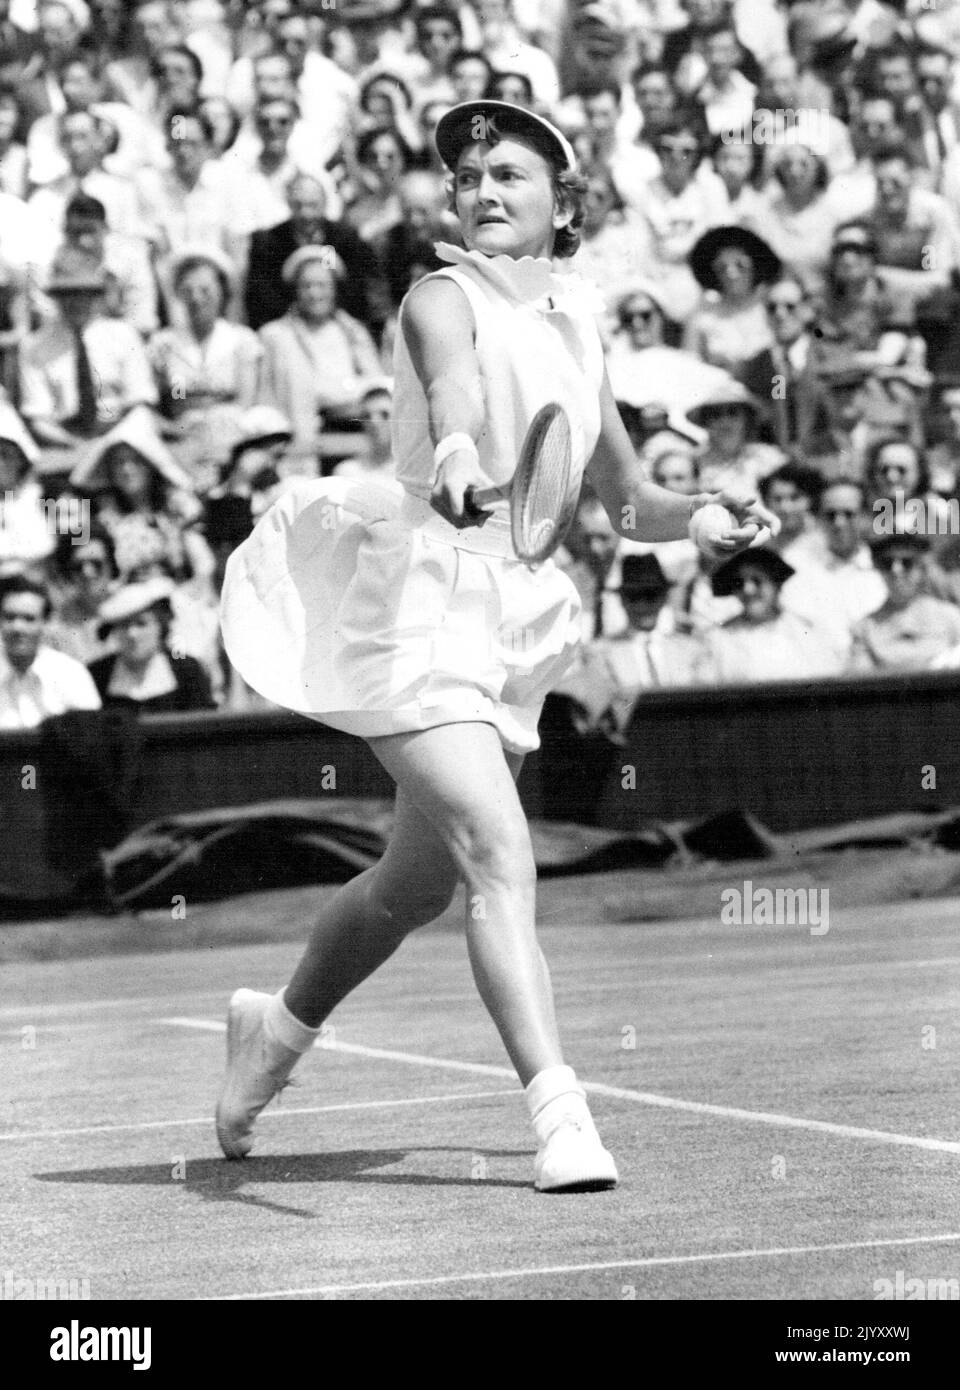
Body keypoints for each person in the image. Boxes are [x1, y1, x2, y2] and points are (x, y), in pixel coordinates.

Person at [215, 99, 776, 1192]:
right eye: (469, 178)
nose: (482, 193)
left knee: (411, 885)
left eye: (509, 175)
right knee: (498, 852)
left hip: (512, 612)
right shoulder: (439, 291)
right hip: (417, 603)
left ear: (564, 202)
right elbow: (455, 382)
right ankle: (560, 1114)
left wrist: (702, 513)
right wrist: (463, 446)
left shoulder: (577, 313)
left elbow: (621, 496)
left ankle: (271, 1035)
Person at [256, 246, 383, 454]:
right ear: (295, 290)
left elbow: (376, 387)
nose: (315, 294)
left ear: (334, 288)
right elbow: (266, 399)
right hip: (296, 441)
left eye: (322, 285)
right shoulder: (275, 335)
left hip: (351, 438)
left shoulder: (352, 332)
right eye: (306, 286)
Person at [702, 546, 842, 683]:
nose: (748, 590)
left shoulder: (806, 631)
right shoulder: (720, 639)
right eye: (739, 583)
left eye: (757, 581)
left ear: (775, 583)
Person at [89, 574, 215, 711]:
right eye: (124, 625)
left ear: (160, 626)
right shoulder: (98, 674)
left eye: (141, 624)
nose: (132, 634)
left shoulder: (186, 669)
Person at [0, 573, 102, 729]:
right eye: (10, 617)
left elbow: (92, 738)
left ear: (46, 624)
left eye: (29, 619)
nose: (18, 628)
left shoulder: (71, 674)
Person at [849, 532, 960, 673]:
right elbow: (859, 685)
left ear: (921, 569)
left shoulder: (951, 618)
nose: (896, 570)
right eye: (887, 563)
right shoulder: (865, 630)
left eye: (906, 563)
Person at [684, 224, 780, 376]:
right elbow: (690, 366)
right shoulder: (703, 316)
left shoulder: (773, 307)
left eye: (740, 265)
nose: (732, 273)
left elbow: (781, 368)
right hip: (721, 395)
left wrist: (779, 398)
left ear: (755, 265)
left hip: (772, 392)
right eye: (722, 267)